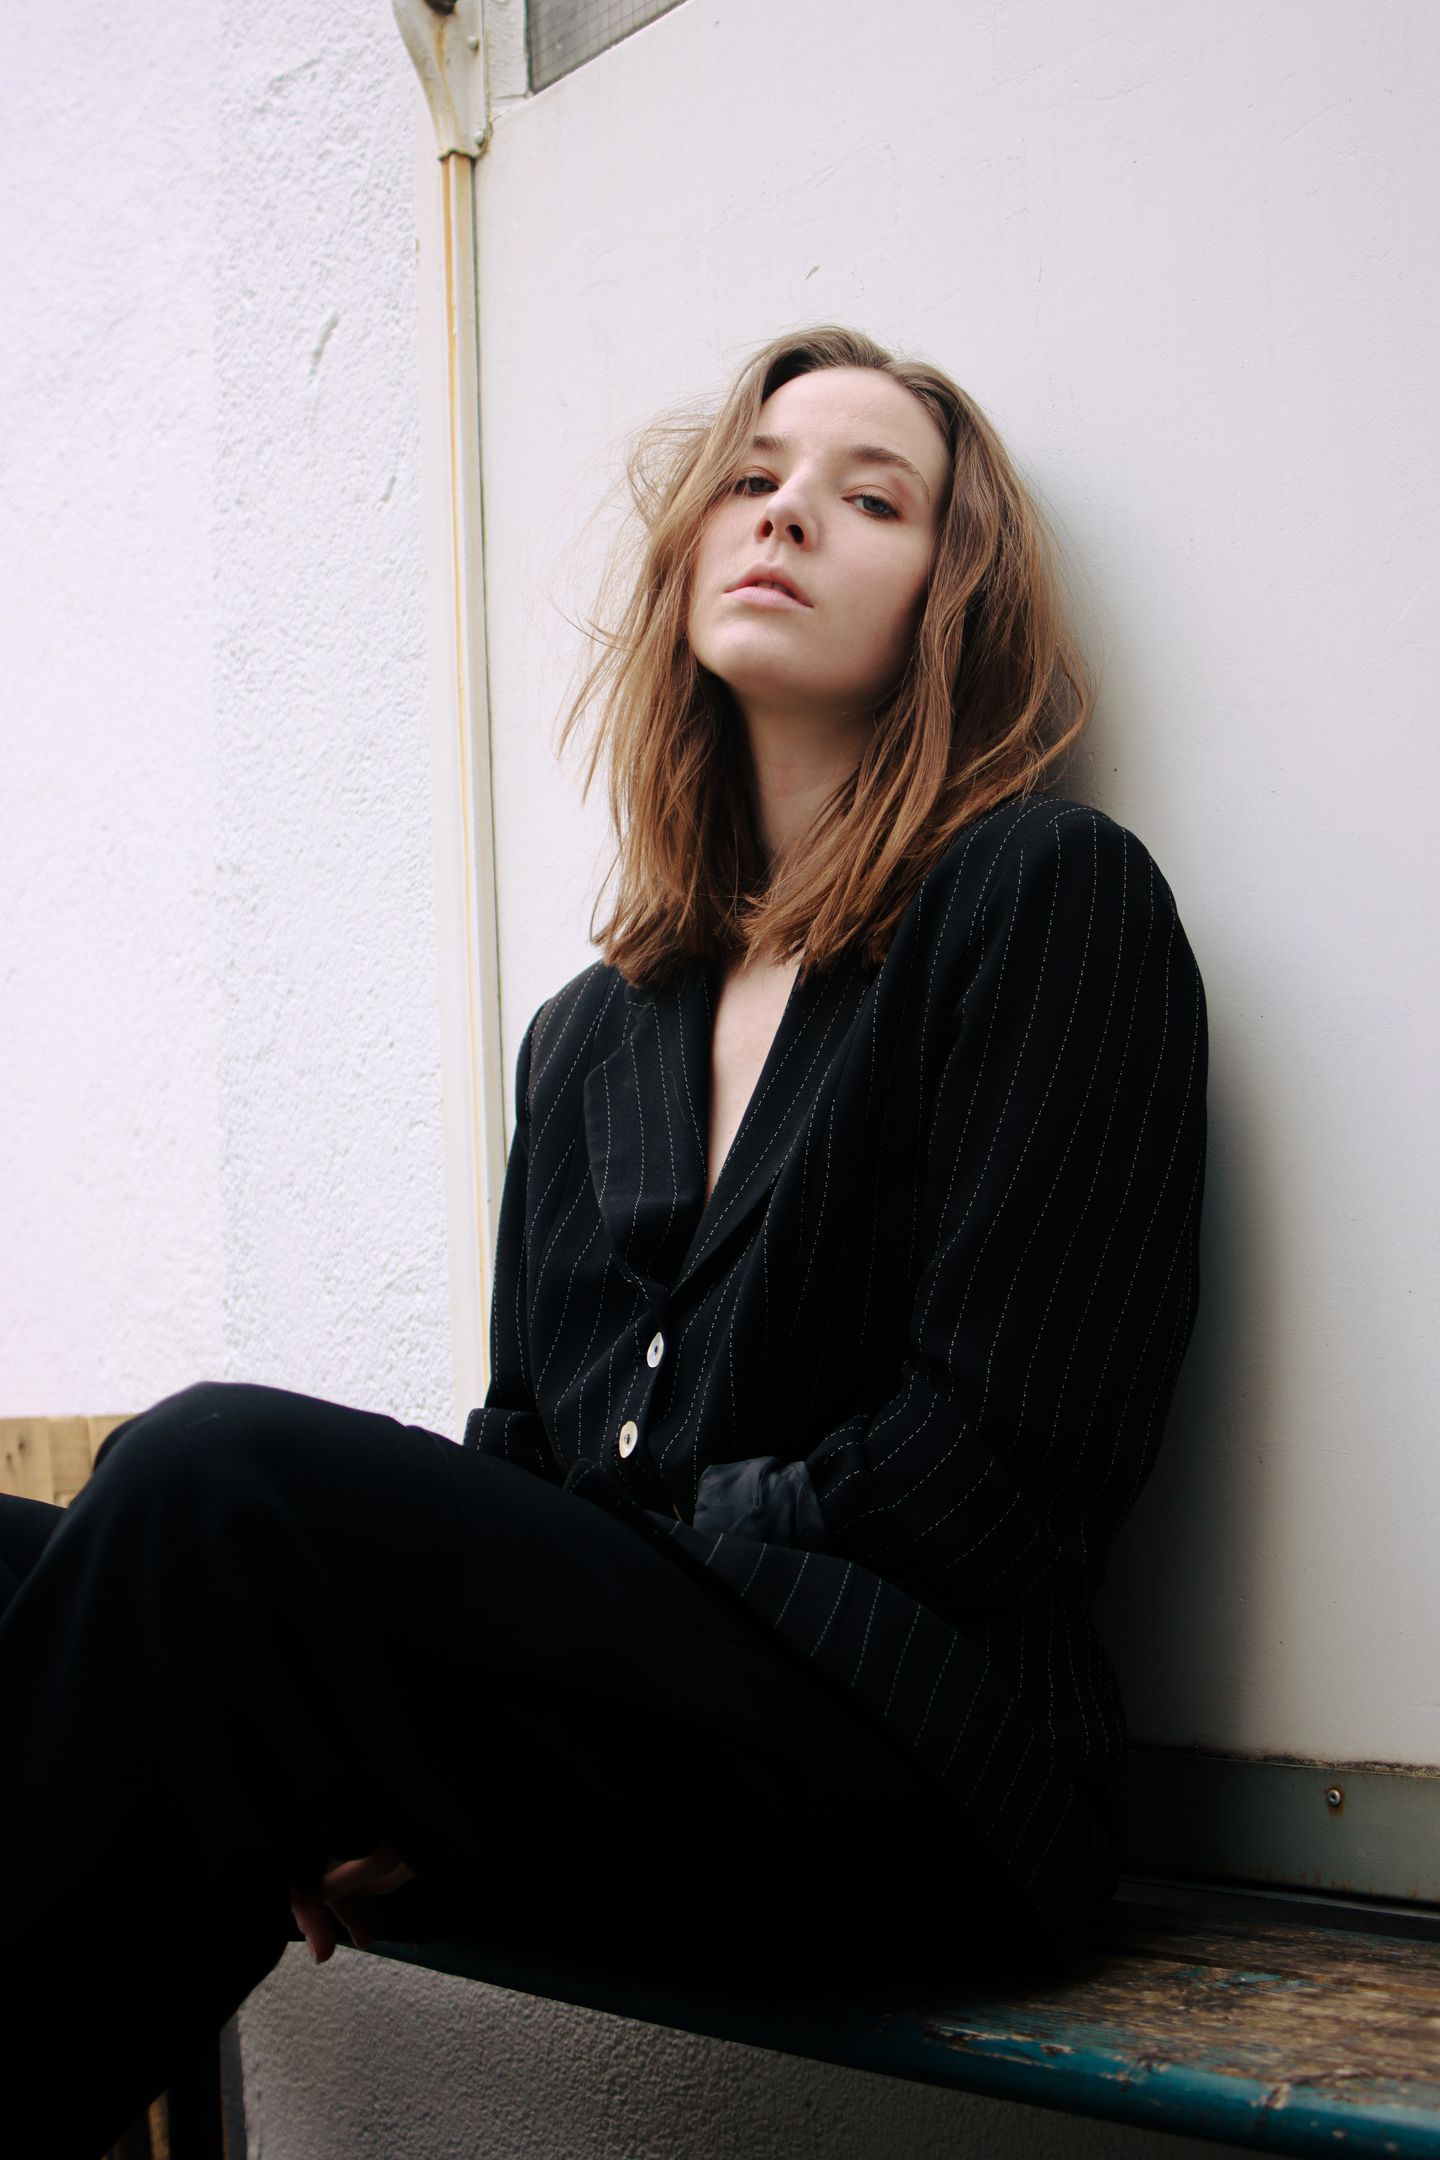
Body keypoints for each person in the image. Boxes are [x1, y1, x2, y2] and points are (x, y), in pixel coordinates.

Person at [0, 325, 1208, 2155]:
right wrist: (398, 1731)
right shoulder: (592, 1033)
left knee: (213, 1481)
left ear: (949, 601)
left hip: (919, 1767)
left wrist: (623, 1558)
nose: (786, 513)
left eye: (871, 499)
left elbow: (1008, 1474)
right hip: (630, 1737)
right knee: (55, 1556)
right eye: (755, 478)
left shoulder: (1048, 896)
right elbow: (515, 1458)